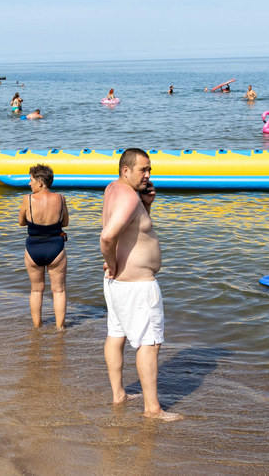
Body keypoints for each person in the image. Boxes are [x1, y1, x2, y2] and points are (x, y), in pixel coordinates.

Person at [100, 148, 179, 421]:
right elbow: (108, 237)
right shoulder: (129, 198)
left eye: (150, 170)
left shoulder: (114, 189)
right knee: (150, 344)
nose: (148, 175)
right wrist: (112, 262)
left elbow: (128, 230)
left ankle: (118, 394)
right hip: (137, 286)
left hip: (118, 286)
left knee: (116, 335)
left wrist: (147, 204)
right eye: (143, 170)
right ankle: (152, 409)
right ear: (126, 170)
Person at [18, 164, 69, 329]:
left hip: (34, 248)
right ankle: (60, 329)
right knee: (59, 291)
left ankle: (37, 327)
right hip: (56, 248)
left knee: (36, 290)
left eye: (31, 180)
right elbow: (65, 223)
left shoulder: (27, 200)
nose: (29, 184)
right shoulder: (61, 199)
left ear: (40, 182)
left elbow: (21, 222)